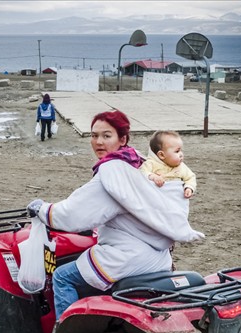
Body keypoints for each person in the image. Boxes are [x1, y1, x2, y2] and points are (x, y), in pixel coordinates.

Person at [27, 110, 204, 320]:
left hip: (128, 257)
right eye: (94, 136)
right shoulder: (139, 162)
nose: (98, 142)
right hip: (159, 257)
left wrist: (42, 210)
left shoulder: (113, 172)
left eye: (106, 135)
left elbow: (72, 213)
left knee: (62, 277)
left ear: (123, 139)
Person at [141, 130, 196, 198]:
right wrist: (152, 176)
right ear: (161, 155)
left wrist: (189, 188)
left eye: (181, 150)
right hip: (157, 199)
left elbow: (190, 178)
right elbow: (140, 173)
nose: (181, 154)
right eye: (177, 151)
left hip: (176, 200)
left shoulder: (181, 167)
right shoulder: (151, 164)